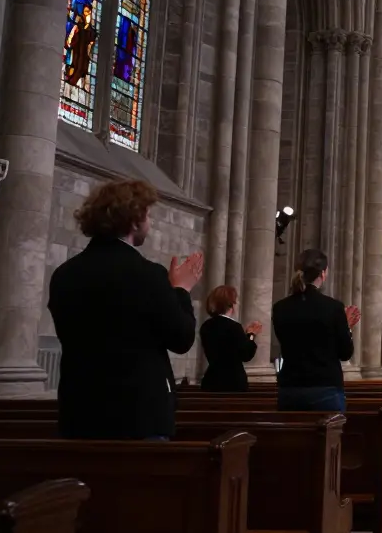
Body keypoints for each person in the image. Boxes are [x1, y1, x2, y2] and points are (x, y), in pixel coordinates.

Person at [48, 179, 204, 440]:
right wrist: (180, 290)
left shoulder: (64, 275)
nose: (150, 223)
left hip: (79, 413)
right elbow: (181, 338)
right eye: (149, 215)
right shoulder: (148, 275)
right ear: (134, 220)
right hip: (137, 417)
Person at [272, 249, 360, 412]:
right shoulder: (333, 308)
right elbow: (345, 352)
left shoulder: (280, 308)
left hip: (290, 387)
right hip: (324, 386)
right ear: (323, 273)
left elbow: (286, 342)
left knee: (291, 438)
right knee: (328, 437)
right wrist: (346, 326)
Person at [199, 285, 261, 392]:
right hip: (233, 383)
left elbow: (226, 349)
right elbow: (245, 354)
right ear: (231, 304)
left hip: (212, 381)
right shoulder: (234, 326)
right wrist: (251, 335)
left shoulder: (206, 326)